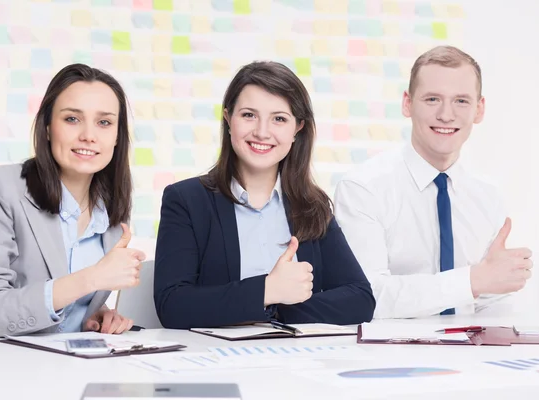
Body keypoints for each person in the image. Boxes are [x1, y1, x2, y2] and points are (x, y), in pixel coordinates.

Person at [154, 61, 375, 329]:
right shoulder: (186, 200)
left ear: (298, 129)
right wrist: (266, 291)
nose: (261, 132)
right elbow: (173, 306)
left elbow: (360, 299)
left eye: (279, 119)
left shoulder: (311, 205)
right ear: (228, 118)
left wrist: (279, 309)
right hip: (213, 361)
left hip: (295, 359)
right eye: (249, 115)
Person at [334, 46, 533, 319]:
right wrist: (471, 280)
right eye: (432, 99)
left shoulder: (488, 195)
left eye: (461, 101)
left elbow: (492, 298)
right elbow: (367, 295)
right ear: (407, 103)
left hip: (473, 357)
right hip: (388, 357)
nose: (446, 115)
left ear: (479, 109)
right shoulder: (363, 188)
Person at [0, 64, 145, 337]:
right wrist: (92, 278)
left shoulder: (111, 209)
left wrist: (94, 312)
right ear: (47, 127)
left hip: (68, 366)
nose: (89, 136)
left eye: (104, 122)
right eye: (72, 119)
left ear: (117, 137)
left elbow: (70, 297)